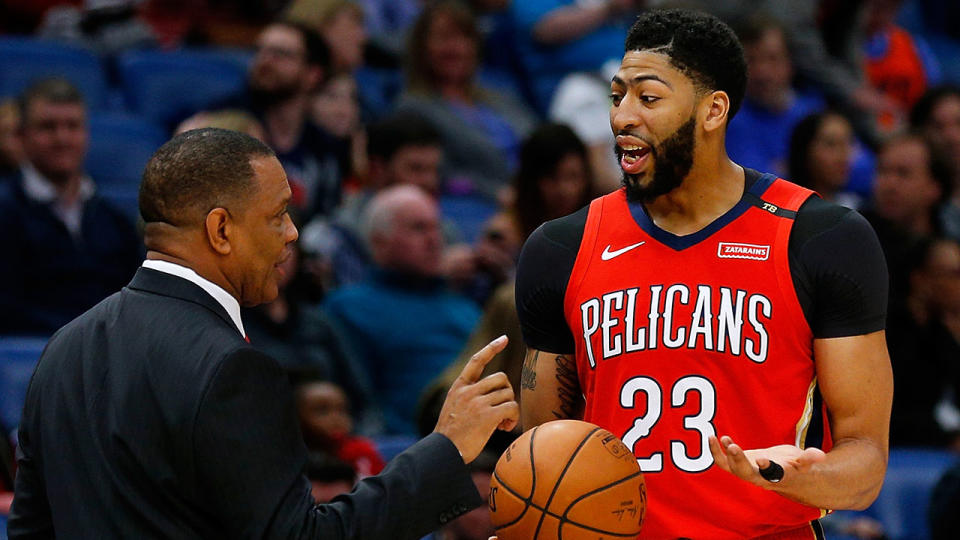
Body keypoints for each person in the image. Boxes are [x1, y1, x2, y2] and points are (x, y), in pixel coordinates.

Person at [8, 128, 519, 538]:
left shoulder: (64, 348)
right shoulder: (231, 366)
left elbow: (31, 529)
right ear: (221, 230)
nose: (293, 233)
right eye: (277, 216)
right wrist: (447, 448)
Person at [515, 9, 892, 539]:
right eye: (617, 95)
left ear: (713, 111)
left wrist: (794, 474)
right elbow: (545, 455)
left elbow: (866, 462)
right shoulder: (561, 248)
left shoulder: (822, 239)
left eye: (647, 98)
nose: (623, 116)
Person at [323, 185, 481, 435]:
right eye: (418, 228)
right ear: (379, 241)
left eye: (435, 227)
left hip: (478, 444)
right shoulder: (348, 307)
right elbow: (359, 406)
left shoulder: (466, 308)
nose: (434, 240)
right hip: (401, 452)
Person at [0, 78, 142, 336]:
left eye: (72, 126)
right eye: (48, 127)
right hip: (35, 358)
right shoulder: (5, 211)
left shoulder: (114, 219)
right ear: (21, 136)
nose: (62, 138)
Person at [397, 0, 536, 200]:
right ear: (422, 46)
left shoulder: (502, 96)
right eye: (445, 37)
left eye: (465, 37)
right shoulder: (412, 110)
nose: (457, 48)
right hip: (482, 207)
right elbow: (443, 176)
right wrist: (494, 193)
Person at [787, 110, 863, 209]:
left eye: (848, 143)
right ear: (804, 150)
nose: (843, 157)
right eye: (831, 144)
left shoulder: (857, 208)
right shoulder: (782, 208)